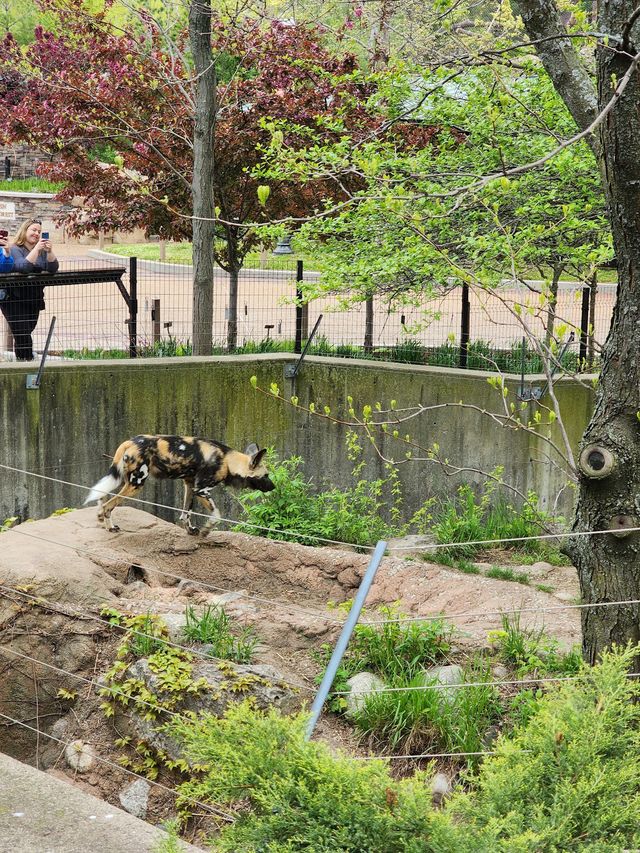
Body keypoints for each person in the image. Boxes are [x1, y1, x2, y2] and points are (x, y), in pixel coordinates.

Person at [5, 219, 58, 361]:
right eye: (33, 230)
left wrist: (49, 251)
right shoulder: (15, 248)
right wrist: (36, 249)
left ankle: (21, 363)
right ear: (25, 231)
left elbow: (53, 268)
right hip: (14, 299)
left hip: (34, 298)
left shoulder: (41, 251)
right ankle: (27, 363)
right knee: (23, 335)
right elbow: (23, 267)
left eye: (39, 232)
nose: (36, 234)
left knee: (25, 332)